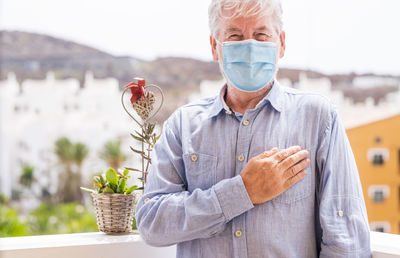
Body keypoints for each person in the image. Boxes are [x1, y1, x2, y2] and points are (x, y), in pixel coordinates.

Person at [135, 0, 372, 257]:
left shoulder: (319, 119)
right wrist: (242, 192)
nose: (249, 47)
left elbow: (346, 240)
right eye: (235, 36)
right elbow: (152, 222)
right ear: (216, 47)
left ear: (281, 43)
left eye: (261, 35)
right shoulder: (182, 125)